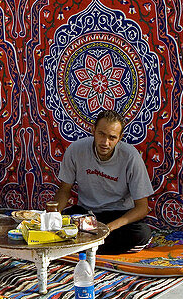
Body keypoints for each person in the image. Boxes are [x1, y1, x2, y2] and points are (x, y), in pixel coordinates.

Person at [53, 109, 153, 254]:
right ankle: (88, 246)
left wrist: (108, 228)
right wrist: (53, 217)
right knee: (58, 224)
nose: (105, 142)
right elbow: (64, 190)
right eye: (101, 134)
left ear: (120, 138)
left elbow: (142, 208)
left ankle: (80, 246)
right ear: (93, 130)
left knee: (141, 233)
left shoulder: (130, 157)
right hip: (86, 214)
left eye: (112, 137)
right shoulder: (76, 150)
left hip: (117, 215)